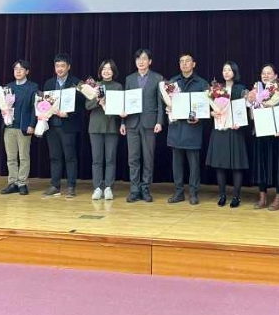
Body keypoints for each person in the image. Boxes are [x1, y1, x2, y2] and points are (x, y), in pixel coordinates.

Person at [120, 48, 164, 203]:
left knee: (148, 158)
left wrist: (159, 121)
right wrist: (122, 122)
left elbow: (160, 103)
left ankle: (145, 189)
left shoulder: (158, 78)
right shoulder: (129, 79)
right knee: (133, 158)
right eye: (138, 59)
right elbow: (125, 102)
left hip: (149, 123)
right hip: (131, 123)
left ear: (150, 61)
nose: (141, 61)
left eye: (144, 58)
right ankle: (134, 190)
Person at [166, 52, 208, 205]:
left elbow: (207, 107)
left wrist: (200, 117)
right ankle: (178, 193)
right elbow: (167, 103)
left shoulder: (202, 83)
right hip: (176, 128)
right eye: (181, 61)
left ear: (193, 64)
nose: (184, 64)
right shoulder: (172, 83)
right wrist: (168, 110)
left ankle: (193, 193)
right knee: (176, 164)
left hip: (193, 129)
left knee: (194, 165)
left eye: (187, 61)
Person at [205, 61, 248, 208]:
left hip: (235, 130)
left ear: (235, 72)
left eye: (229, 70)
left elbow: (245, 109)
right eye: (224, 70)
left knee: (237, 165)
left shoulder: (241, 89)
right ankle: (222, 195)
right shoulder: (217, 88)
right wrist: (212, 113)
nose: (226, 72)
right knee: (220, 165)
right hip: (220, 129)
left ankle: (236, 197)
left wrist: (240, 122)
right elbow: (208, 108)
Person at [250, 63, 279, 211]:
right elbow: (252, 114)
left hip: (277, 134)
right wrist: (252, 101)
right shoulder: (256, 91)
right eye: (263, 73)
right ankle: (262, 196)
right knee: (261, 165)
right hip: (261, 132)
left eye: (269, 73)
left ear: (275, 76)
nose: (266, 75)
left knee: (278, 165)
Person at [42, 53, 81, 198]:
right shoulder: (49, 83)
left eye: (62, 66)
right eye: (57, 66)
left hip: (68, 126)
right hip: (52, 126)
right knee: (54, 157)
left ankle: (71, 186)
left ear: (68, 67)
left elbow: (82, 105)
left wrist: (68, 114)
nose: (59, 68)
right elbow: (43, 103)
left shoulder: (76, 83)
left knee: (70, 157)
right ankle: (55, 185)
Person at [0, 60, 38, 196]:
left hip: (24, 127)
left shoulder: (33, 87)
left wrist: (32, 125)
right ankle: (12, 183)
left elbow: (35, 108)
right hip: (9, 126)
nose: (18, 71)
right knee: (11, 157)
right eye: (16, 69)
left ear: (27, 71)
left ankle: (22, 183)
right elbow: (3, 106)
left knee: (24, 157)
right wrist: (3, 112)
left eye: (21, 69)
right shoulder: (8, 87)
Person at [85, 59, 123, 201]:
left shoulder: (118, 87)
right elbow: (87, 106)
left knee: (110, 159)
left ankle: (108, 187)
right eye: (104, 69)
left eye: (109, 69)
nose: (106, 71)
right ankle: (97, 188)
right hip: (95, 126)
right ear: (100, 71)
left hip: (112, 126)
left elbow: (120, 107)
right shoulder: (95, 86)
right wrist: (98, 99)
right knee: (97, 159)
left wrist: (108, 104)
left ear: (113, 71)